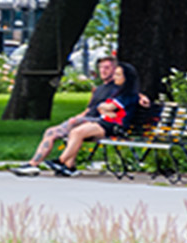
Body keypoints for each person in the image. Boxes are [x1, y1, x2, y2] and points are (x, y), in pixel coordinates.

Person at [15, 56, 153, 177]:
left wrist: (140, 98)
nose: (104, 71)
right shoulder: (101, 89)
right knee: (65, 131)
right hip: (100, 121)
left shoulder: (118, 89)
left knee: (75, 129)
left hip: (108, 125)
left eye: (108, 68)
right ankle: (64, 165)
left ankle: (59, 162)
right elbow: (97, 107)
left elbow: (127, 97)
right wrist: (102, 110)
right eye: (101, 67)